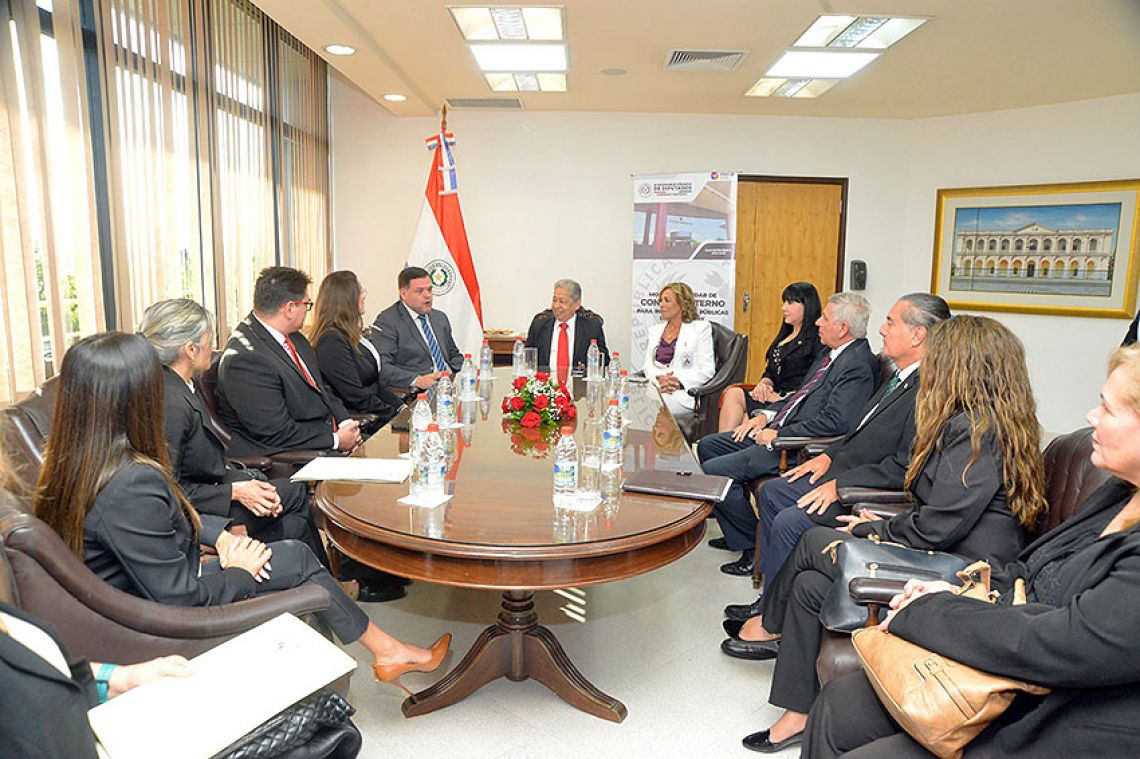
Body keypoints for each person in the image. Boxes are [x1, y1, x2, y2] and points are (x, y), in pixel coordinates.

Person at [33, 332, 449, 692]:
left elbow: (153, 532)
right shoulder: (130, 483)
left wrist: (221, 538)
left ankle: (375, 654)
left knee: (295, 556)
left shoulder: (70, 462)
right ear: (137, 397)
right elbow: (180, 597)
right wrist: (240, 571)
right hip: (158, 624)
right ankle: (376, 657)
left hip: (131, 599)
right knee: (299, 565)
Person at [805, 343, 1140, 758]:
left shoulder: (979, 430)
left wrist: (928, 611)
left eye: (1106, 409)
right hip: (1011, 656)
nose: (1091, 417)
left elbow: (1064, 642)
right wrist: (946, 592)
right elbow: (1026, 570)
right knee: (839, 705)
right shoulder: (1117, 493)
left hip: (1061, 716)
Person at [732, 315, 1046, 754]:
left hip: (963, 571)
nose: (930, 366)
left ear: (962, 365)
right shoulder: (969, 422)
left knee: (811, 541)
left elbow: (939, 525)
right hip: (939, 549)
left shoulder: (977, 433)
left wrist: (874, 528)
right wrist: (876, 527)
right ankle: (796, 711)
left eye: (939, 357)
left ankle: (769, 624)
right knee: (807, 584)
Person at [720, 293, 950, 622]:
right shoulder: (898, 378)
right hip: (843, 468)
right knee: (772, 492)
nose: (881, 330)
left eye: (890, 322)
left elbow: (904, 466)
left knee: (790, 520)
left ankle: (776, 621)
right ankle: (770, 598)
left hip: (868, 492)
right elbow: (856, 433)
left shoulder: (926, 390)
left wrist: (840, 485)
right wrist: (827, 458)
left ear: (918, 335)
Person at [140, 299, 331, 568]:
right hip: (198, 510)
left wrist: (245, 485)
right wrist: (236, 491)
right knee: (293, 499)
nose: (214, 346)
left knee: (291, 515)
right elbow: (168, 490)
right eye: (209, 339)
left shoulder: (180, 384)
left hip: (215, 489)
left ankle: (315, 582)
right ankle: (319, 582)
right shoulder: (170, 404)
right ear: (190, 350)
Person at [697, 292, 878, 576]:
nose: (817, 322)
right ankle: (740, 534)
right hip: (778, 430)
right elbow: (798, 398)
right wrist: (763, 417)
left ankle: (749, 546)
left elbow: (834, 423)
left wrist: (777, 434)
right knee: (708, 446)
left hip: (794, 447)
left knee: (714, 471)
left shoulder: (857, 365)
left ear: (843, 328)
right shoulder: (829, 353)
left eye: (825, 318)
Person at [216, 266, 361, 458]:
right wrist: (335, 440)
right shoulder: (246, 358)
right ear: (290, 308)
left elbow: (322, 389)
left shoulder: (296, 338)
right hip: (293, 456)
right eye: (307, 305)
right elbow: (275, 432)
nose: (308, 311)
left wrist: (345, 424)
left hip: (324, 439)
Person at [719, 282, 824, 431]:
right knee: (733, 393)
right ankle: (721, 444)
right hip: (771, 396)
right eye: (784, 302)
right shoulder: (785, 335)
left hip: (791, 404)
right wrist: (765, 384)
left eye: (790, 302)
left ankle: (727, 446)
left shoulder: (816, 339)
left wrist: (780, 398)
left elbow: (815, 382)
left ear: (807, 306)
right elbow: (771, 371)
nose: (784, 308)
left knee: (746, 419)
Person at [310, 270, 404, 428]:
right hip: (361, 422)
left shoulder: (350, 335)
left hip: (376, 413)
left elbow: (375, 385)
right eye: (360, 291)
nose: (364, 296)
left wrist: (402, 408)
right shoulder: (331, 341)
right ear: (346, 299)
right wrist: (394, 416)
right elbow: (355, 396)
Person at [372, 266, 464, 391]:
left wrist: (457, 373)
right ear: (403, 293)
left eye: (430, 289)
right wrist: (417, 380)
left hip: (450, 385)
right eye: (420, 291)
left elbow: (453, 354)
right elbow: (383, 366)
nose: (428, 296)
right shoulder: (388, 321)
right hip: (421, 391)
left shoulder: (439, 317)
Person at [641, 282, 715, 418]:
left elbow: (707, 370)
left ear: (682, 304)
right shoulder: (655, 331)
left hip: (682, 395)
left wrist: (677, 382)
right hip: (656, 390)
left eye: (667, 300)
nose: (661, 305)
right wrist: (661, 382)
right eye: (660, 300)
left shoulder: (700, 329)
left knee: (657, 407)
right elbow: (647, 366)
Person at [525, 278, 609, 378]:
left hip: (578, 388)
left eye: (562, 301)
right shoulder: (539, 325)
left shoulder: (591, 327)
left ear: (577, 304)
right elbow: (527, 359)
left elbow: (604, 361)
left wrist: (588, 367)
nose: (556, 306)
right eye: (554, 300)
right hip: (545, 387)